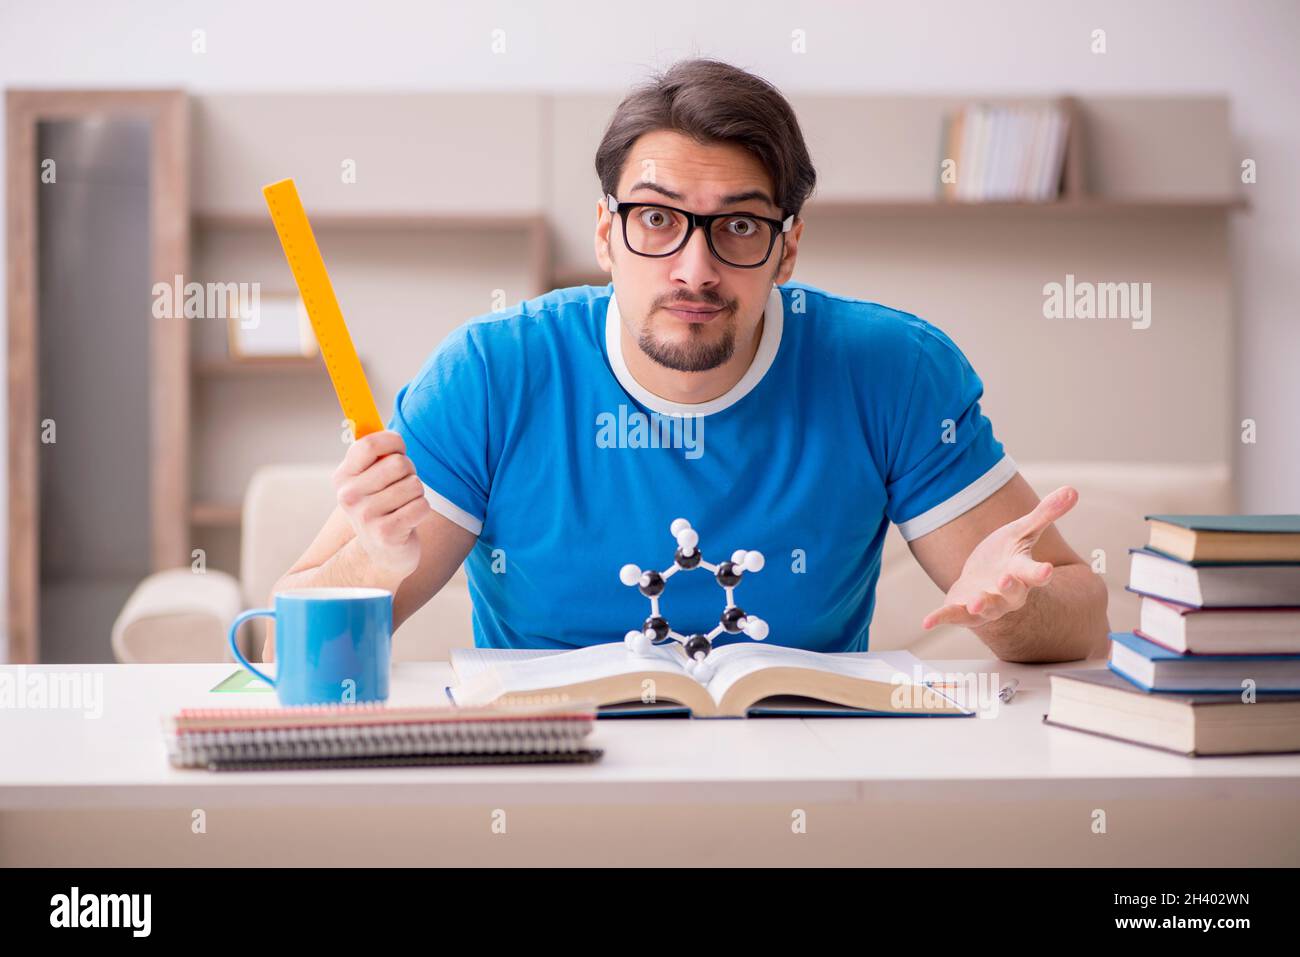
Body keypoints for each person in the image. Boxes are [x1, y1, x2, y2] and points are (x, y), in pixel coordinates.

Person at [268, 58, 1107, 662]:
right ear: (606, 233)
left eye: (738, 225)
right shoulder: (492, 375)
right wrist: (375, 562)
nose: (694, 269)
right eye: (658, 219)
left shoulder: (892, 371)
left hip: (810, 791)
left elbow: (1082, 617)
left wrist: (1011, 608)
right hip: (547, 795)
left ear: (786, 249)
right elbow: (278, 648)